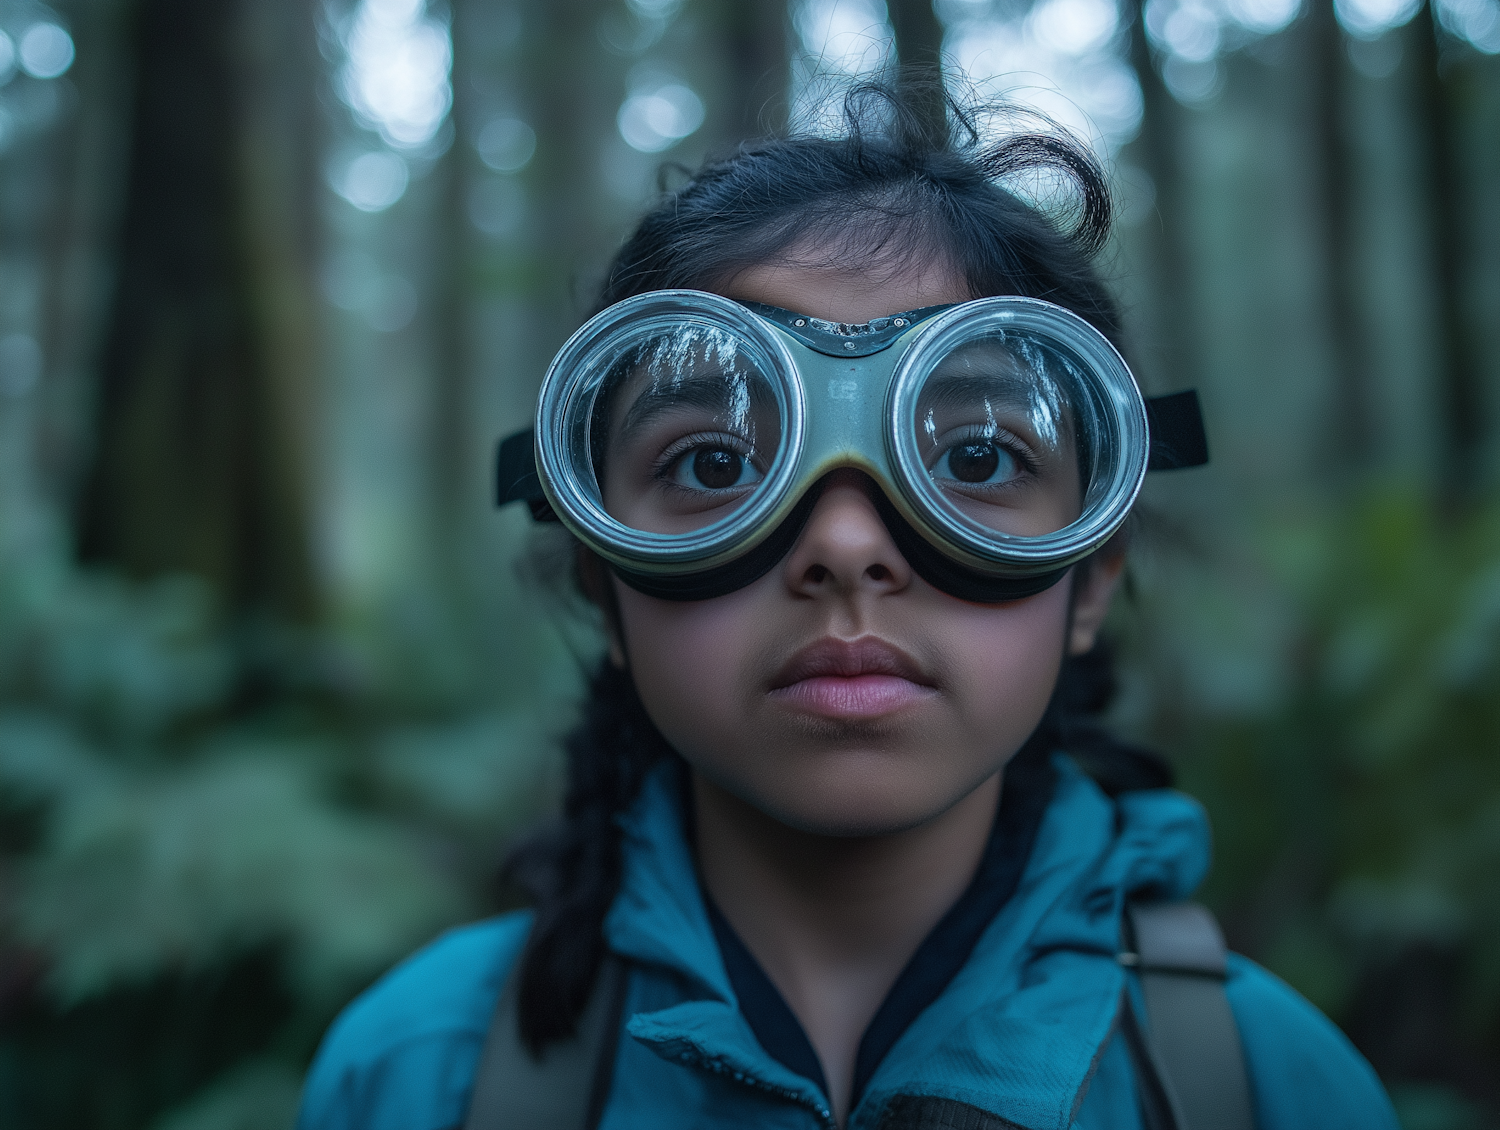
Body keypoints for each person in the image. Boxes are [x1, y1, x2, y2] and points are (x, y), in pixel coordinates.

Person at [296, 85, 1398, 1130]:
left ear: (1090, 578)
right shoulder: (417, 1072)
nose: (846, 545)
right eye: (716, 460)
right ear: (604, 579)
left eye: (976, 453)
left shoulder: (1263, 1082)